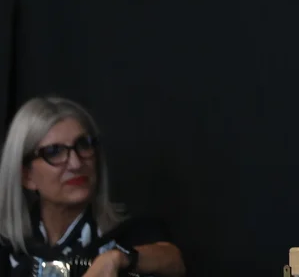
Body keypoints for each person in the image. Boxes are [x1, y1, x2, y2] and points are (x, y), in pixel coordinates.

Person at [0, 96, 185, 277]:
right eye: (54, 152)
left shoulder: (131, 233)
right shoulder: (9, 249)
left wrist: (116, 259)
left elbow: (174, 261)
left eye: (83, 145)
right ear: (26, 176)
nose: (76, 163)